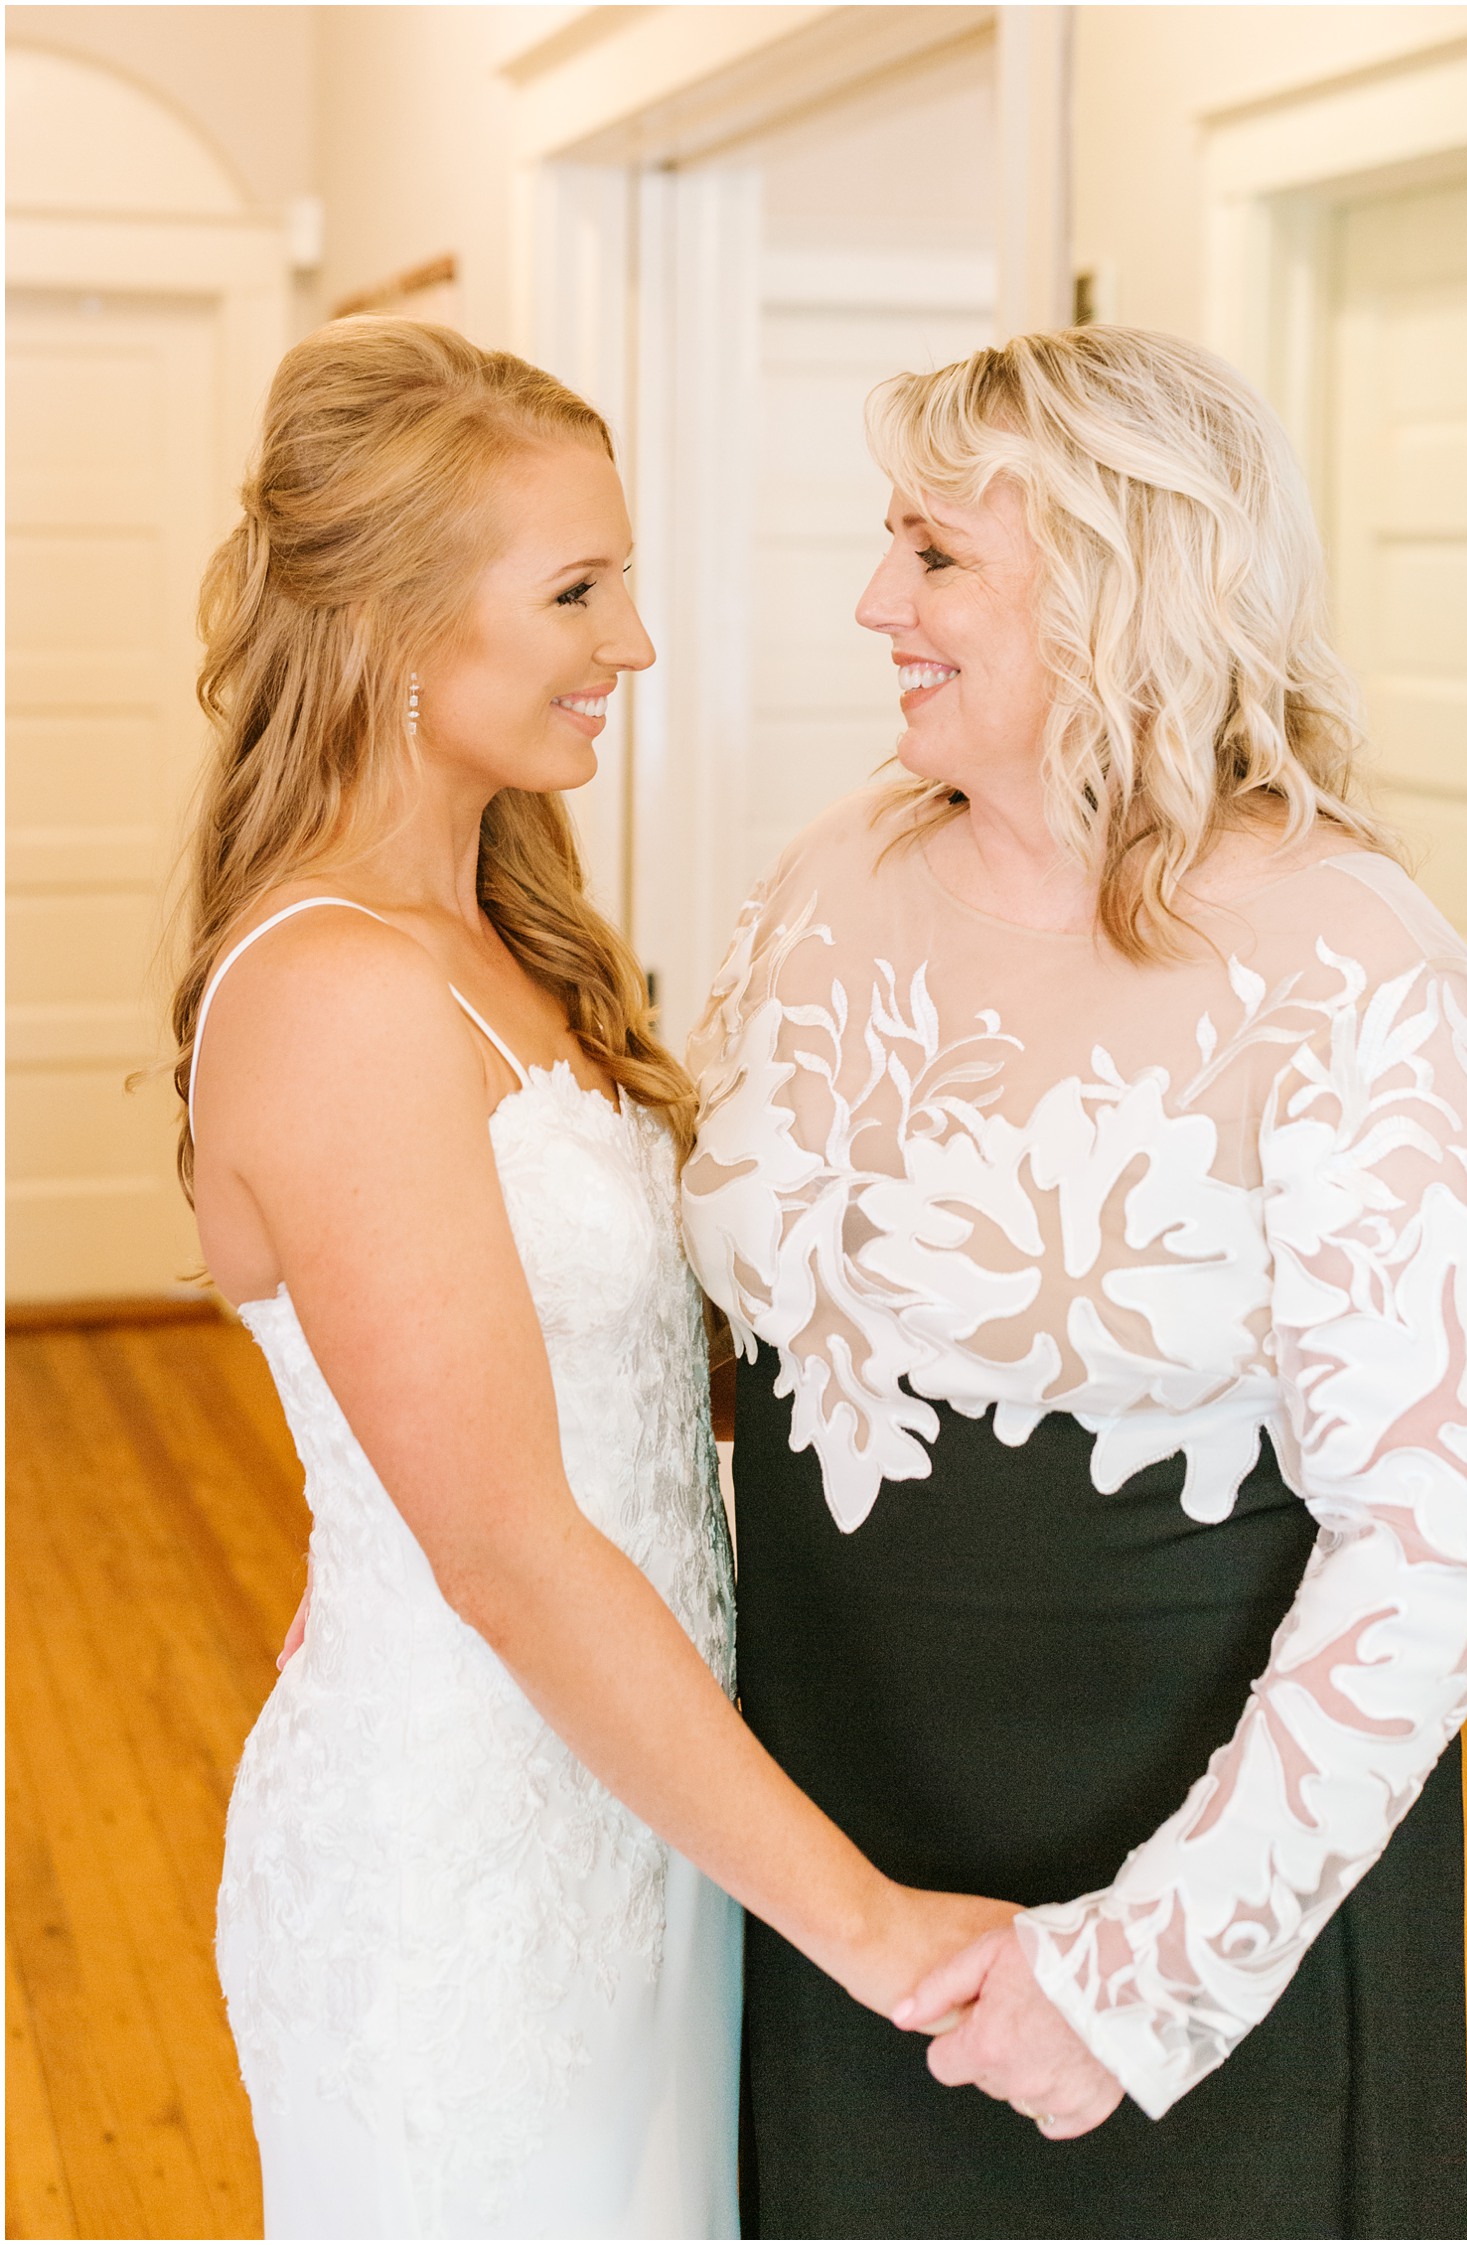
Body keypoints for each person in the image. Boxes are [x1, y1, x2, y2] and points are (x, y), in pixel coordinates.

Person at [177, 317, 1012, 2242]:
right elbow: (505, 1547)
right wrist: (872, 1927)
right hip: (469, 1853)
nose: (631, 642)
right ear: (393, 626)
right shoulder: (331, 995)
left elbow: (639, 1369)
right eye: (577, 588)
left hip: (649, 1792)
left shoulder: (507, 930)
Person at [682, 326, 1467, 2240]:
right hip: (837, 1848)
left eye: (937, 554)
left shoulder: (1346, 958)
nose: (879, 600)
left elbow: (1439, 1532)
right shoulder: (827, 876)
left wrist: (1142, 1976)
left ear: (1126, 572)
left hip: (1182, 1891)